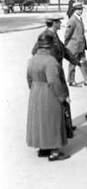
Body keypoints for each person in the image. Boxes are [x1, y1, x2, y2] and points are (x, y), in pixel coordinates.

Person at [31, 14, 79, 137]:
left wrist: (77, 62)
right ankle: (61, 130)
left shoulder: (54, 35)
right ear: (53, 23)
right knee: (58, 99)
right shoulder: (45, 36)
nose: (60, 24)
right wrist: (48, 64)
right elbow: (35, 51)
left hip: (57, 70)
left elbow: (64, 50)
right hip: (51, 72)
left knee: (64, 98)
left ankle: (66, 126)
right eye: (58, 22)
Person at [26, 32, 71, 161]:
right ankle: (55, 152)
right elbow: (54, 81)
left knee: (40, 122)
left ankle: (43, 148)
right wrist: (63, 96)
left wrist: (34, 89)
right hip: (49, 93)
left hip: (35, 92)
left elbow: (28, 78)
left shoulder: (32, 60)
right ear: (49, 47)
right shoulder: (50, 61)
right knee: (53, 121)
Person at [64, 2, 87, 87]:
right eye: (78, 9)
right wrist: (67, 43)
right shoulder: (72, 20)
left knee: (83, 62)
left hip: (81, 45)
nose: (81, 11)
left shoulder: (79, 19)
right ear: (74, 10)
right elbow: (67, 33)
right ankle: (71, 81)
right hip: (74, 46)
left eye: (81, 9)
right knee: (73, 64)